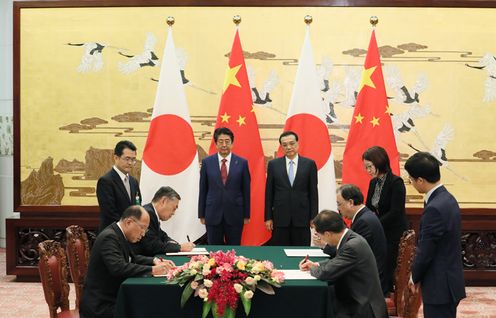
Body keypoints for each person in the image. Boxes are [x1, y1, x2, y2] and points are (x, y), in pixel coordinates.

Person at [80, 205, 174, 318]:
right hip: (102, 306)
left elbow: (132, 258)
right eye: (142, 228)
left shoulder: (118, 234)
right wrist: (153, 270)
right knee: (147, 307)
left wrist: (155, 260)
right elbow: (118, 268)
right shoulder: (109, 237)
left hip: (112, 298)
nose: (143, 234)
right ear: (129, 222)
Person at [405, 152, 466, 318]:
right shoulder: (447, 198)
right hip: (448, 280)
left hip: (440, 285)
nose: (411, 183)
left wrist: (414, 276)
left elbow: (426, 249)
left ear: (420, 180)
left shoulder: (435, 208)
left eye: (410, 179)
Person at [300, 211, 387, 318]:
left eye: (319, 236)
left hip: (363, 309)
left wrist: (312, 269)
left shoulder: (352, 246)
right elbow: (338, 261)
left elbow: (326, 273)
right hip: (356, 300)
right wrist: (316, 264)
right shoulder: (350, 238)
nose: (321, 240)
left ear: (327, 234)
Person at [325, 184, 388, 295]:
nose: (338, 209)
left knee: (327, 288)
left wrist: (327, 246)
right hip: (366, 275)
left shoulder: (364, 222)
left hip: (368, 283)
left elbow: (349, 254)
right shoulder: (363, 216)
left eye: (339, 204)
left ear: (350, 202)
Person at [362, 145, 407, 292]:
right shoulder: (373, 182)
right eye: (366, 167)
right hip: (379, 229)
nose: (367, 171)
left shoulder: (396, 182)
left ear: (379, 163)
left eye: (369, 167)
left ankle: (385, 293)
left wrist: (375, 224)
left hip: (393, 231)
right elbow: (368, 207)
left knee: (387, 264)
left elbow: (396, 212)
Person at [198, 127, 250, 245]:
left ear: (232, 143)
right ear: (216, 144)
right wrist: (201, 213)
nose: (224, 144)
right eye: (220, 142)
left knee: (234, 249)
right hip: (212, 213)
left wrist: (246, 214)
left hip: (235, 214)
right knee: (214, 251)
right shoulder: (207, 162)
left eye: (227, 141)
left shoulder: (242, 163)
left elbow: (246, 190)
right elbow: (203, 189)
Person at [265, 131, 318, 246]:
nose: (288, 147)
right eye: (284, 145)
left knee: (301, 252)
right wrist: (268, 217)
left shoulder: (309, 164)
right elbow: (269, 193)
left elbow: (313, 193)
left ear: (297, 144)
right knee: (279, 252)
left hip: (302, 218)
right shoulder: (274, 165)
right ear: (281, 147)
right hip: (280, 218)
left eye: (291, 143)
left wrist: (313, 217)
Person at [133, 186, 195, 256]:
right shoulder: (147, 214)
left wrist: (174, 243)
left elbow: (162, 235)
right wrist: (180, 247)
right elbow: (152, 245)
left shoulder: (152, 212)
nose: (173, 213)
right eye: (174, 208)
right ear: (164, 201)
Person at [97, 140, 142, 232]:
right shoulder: (105, 181)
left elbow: (137, 206)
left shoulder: (134, 182)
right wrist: (129, 228)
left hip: (131, 234)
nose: (130, 163)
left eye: (133, 160)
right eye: (127, 159)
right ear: (116, 158)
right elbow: (109, 213)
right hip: (112, 234)